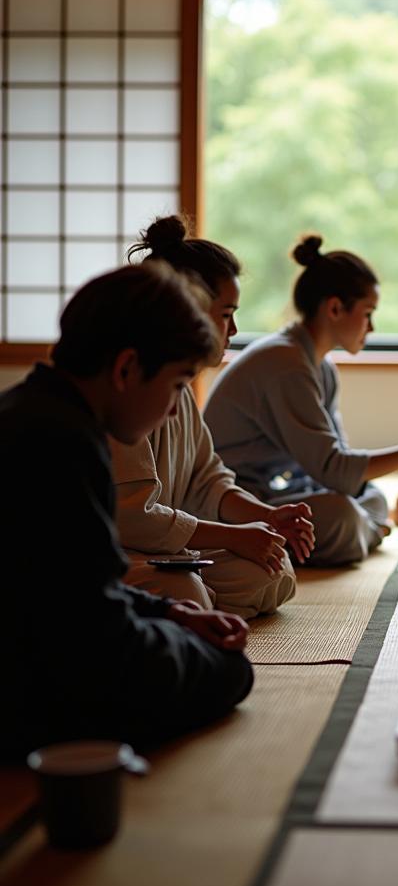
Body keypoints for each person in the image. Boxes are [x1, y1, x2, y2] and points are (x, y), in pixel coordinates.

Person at [1, 265, 253, 756]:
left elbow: (76, 585)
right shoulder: (63, 440)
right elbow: (91, 631)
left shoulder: (31, 410)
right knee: (228, 670)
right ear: (126, 369)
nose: (178, 408)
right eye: (179, 384)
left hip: (36, 650)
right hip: (26, 686)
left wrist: (167, 612)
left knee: (193, 639)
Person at [204, 235, 398, 565]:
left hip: (283, 490)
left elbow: (338, 466)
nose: (371, 327)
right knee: (343, 514)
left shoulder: (320, 366)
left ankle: (367, 527)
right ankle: (366, 530)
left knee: (369, 498)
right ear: (334, 308)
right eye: (367, 313)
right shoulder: (285, 364)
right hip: (243, 500)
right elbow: (336, 471)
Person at [111, 216, 313, 618]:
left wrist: (266, 517)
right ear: (189, 307)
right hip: (112, 549)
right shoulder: (129, 381)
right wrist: (233, 537)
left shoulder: (179, 385)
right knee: (188, 592)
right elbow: (130, 518)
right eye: (225, 314)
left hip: (165, 545)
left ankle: (188, 606)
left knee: (271, 571)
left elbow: (208, 479)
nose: (234, 329)